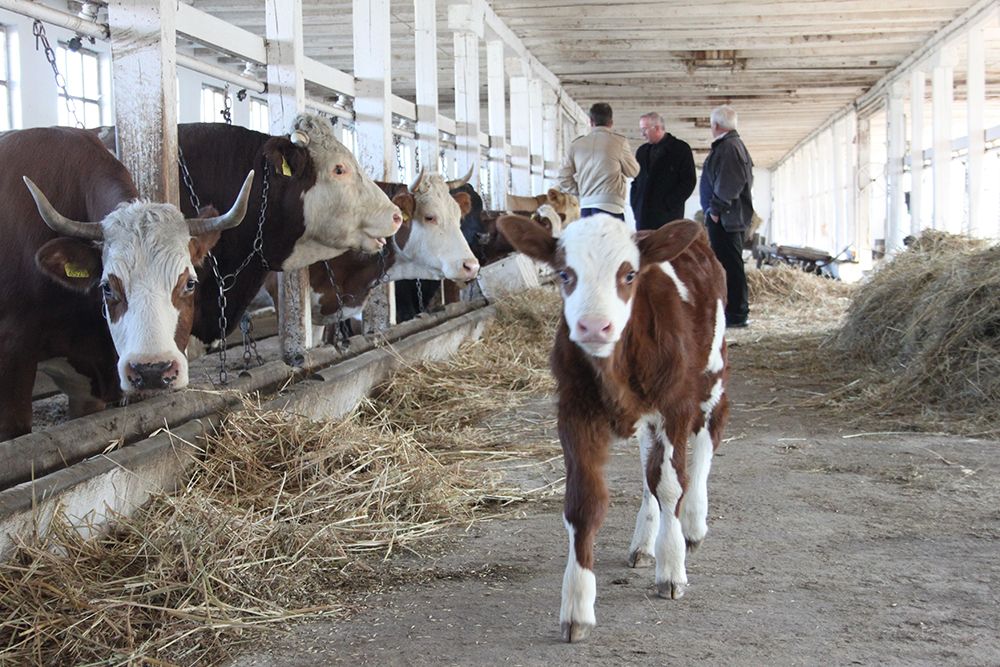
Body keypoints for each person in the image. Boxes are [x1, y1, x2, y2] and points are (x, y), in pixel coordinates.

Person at [700, 104, 754, 329]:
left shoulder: (729, 147)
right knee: (729, 264)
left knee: (730, 267)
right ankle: (733, 312)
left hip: (726, 218)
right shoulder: (731, 145)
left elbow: (730, 183)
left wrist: (715, 210)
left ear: (715, 125)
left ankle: (737, 315)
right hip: (728, 217)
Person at [558, 102, 639, 220]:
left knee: (589, 238)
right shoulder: (618, 142)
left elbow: (563, 177)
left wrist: (581, 191)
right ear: (611, 123)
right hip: (611, 205)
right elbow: (633, 171)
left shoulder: (576, 145)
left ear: (591, 122)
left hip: (586, 206)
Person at [630, 112, 697, 231]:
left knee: (667, 249)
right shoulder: (641, 151)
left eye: (644, 129)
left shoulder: (680, 149)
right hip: (643, 217)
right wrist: (635, 204)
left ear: (657, 128)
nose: (642, 134)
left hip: (668, 218)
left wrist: (669, 204)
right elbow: (636, 181)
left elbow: (688, 182)